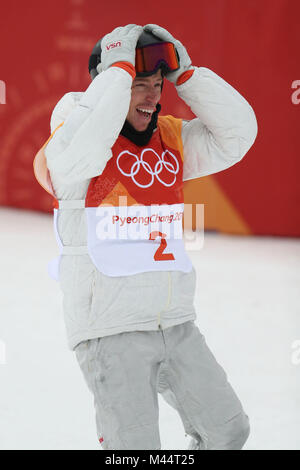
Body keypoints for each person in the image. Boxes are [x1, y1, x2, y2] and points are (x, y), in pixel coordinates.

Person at [36, 24, 257, 450]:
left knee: (229, 432)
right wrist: (117, 71)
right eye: (140, 84)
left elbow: (238, 135)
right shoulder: (71, 138)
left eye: (158, 84)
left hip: (175, 324)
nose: (153, 96)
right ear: (111, 85)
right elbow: (83, 147)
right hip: (111, 331)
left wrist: (188, 75)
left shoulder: (168, 139)